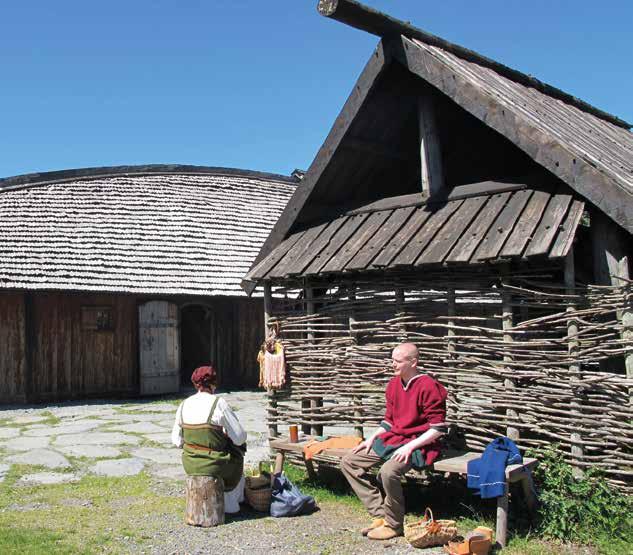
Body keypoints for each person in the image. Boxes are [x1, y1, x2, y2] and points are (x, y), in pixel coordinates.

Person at [341, 342, 448, 540]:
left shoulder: (428, 386)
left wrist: (410, 446)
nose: (393, 364)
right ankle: (379, 514)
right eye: (392, 360)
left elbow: (437, 429)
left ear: (413, 362)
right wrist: (371, 438)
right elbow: (389, 421)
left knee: (388, 472)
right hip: (395, 439)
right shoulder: (393, 384)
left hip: (420, 443)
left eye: (398, 361)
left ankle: (394, 524)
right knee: (349, 461)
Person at [171, 365, 247, 514]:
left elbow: (176, 440)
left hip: (191, 465)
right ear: (214, 384)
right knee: (237, 454)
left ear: (195, 384)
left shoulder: (183, 404)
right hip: (216, 466)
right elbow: (239, 438)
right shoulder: (219, 403)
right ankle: (231, 504)